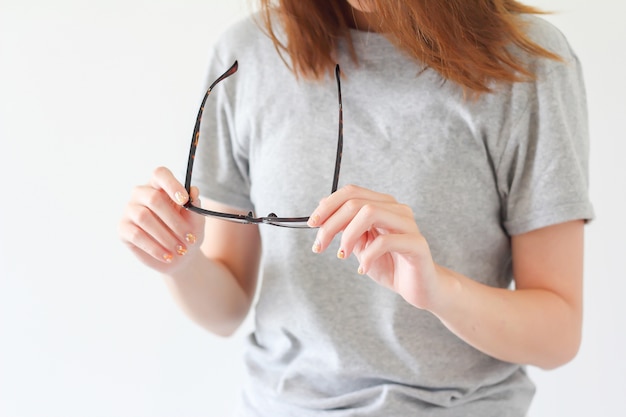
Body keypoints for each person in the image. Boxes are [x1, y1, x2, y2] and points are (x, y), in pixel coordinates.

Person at [119, 0, 594, 415]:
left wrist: (438, 289)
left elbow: (557, 333)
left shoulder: (528, 62)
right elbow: (227, 309)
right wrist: (180, 261)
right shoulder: (248, 55)